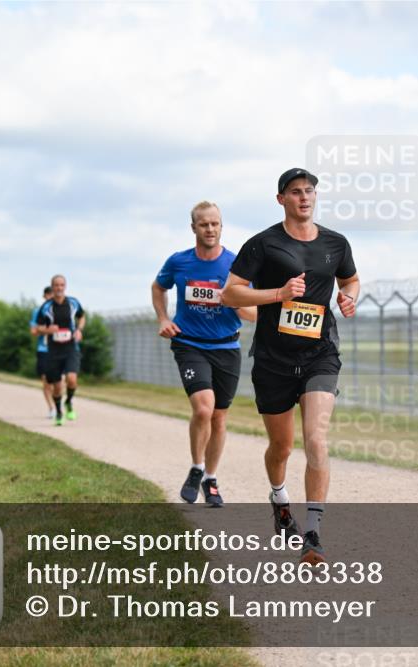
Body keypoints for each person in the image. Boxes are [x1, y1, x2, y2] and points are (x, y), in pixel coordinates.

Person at [221, 168, 360, 564]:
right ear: (281, 199)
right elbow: (231, 294)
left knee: (315, 437)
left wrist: (348, 298)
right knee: (281, 446)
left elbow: (351, 280)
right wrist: (279, 293)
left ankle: (313, 534)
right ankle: (280, 499)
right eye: (296, 192)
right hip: (273, 359)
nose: (305, 197)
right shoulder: (263, 244)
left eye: (310, 191)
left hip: (320, 353)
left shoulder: (336, 242)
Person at [152, 201, 257, 507]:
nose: (210, 229)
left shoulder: (236, 265)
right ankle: (196, 468)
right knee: (203, 409)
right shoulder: (179, 261)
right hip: (190, 344)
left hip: (226, 346)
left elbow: (251, 311)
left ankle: (211, 479)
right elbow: (159, 288)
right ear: (194, 228)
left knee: (220, 417)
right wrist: (163, 318)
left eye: (215, 224)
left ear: (221, 226)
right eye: (204, 224)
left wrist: (235, 303)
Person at [35, 275, 85, 426]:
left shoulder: (73, 303)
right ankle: (58, 412)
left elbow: (82, 316)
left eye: (62, 285)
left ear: (65, 286)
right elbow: (37, 328)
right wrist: (48, 329)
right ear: (52, 287)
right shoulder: (46, 307)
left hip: (70, 348)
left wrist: (79, 330)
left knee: (72, 379)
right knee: (56, 387)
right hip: (53, 350)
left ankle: (68, 402)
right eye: (56, 285)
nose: (59, 288)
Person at [30, 286, 59, 417]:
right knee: (46, 381)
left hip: (60, 349)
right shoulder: (38, 312)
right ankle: (51, 408)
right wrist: (48, 330)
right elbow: (33, 331)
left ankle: (58, 404)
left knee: (59, 381)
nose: (51, 297)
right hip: (44, 349)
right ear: (45, 296)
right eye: (49, 295)